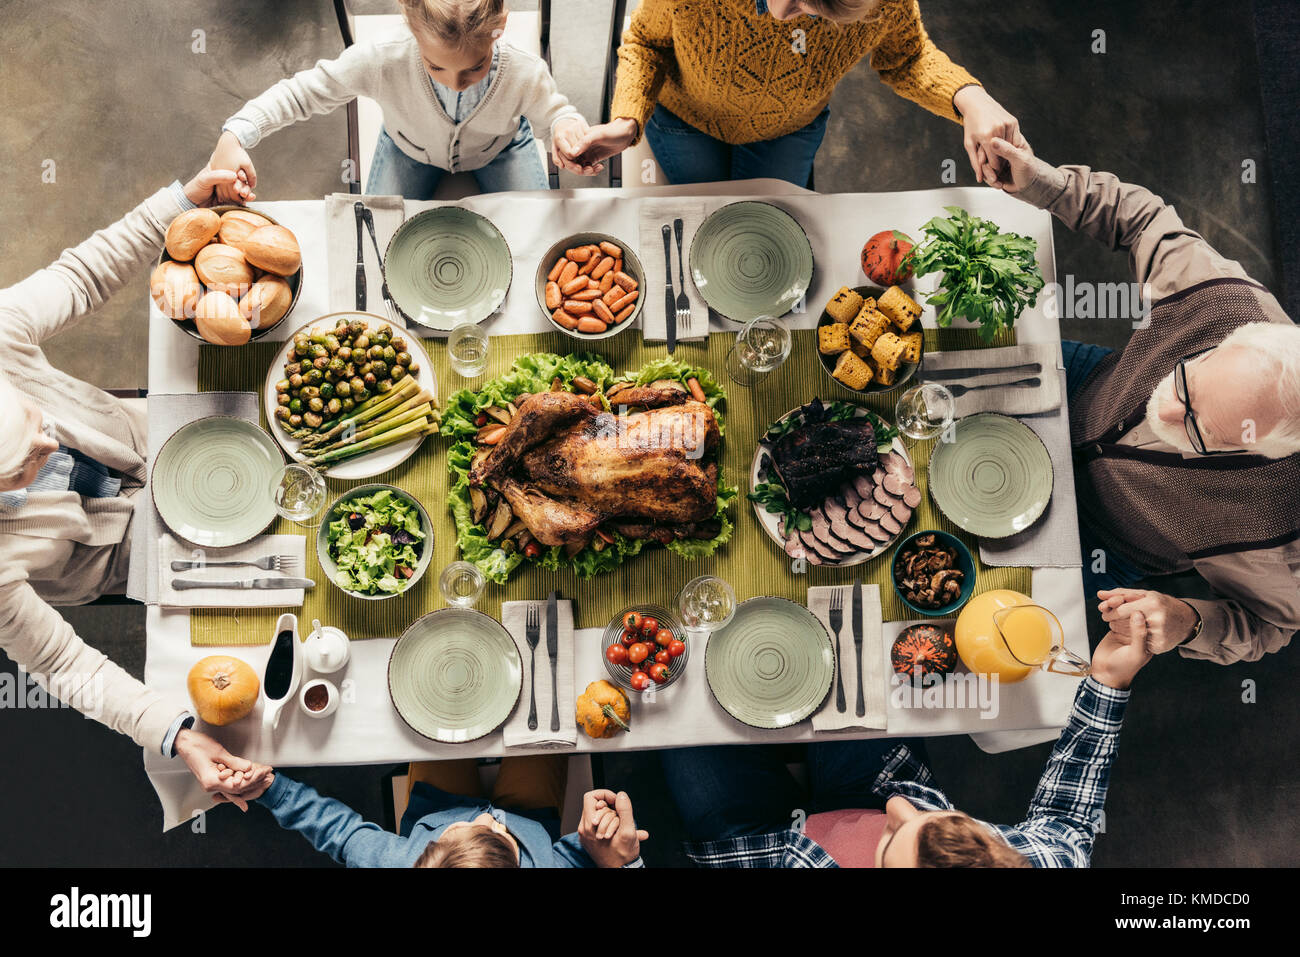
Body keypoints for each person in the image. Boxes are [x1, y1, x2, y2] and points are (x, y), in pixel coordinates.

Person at [0, 168, 270, 809]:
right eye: (22, 465)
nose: (50, 444)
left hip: (160, 441)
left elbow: (84, 273)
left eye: (38, 424)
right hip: (130, 558)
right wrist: (177, 735)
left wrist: (179, 204)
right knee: (264, 599)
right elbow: (65, 666)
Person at [981, 135, 1300, 666]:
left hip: (1099, 535)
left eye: (1199, 428)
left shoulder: (1281, 532)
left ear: (1269, 449)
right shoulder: (1225, 302)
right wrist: (1047, 183)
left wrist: (1189, 620)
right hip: (1082, 386)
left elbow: (1269, 628)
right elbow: (1142, 218)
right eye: (1187, 380)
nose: (1166, 411)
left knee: (952, 593)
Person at [660, 621, 1152, 867]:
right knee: (846, 650)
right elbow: (1066, 825)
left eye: (889, 842)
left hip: (754, 847)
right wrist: (1107, 680)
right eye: (936, 818)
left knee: (674, 707)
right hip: (868, 781)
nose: (897, 808)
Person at [570, 0, 1025, 188]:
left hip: (789, 131)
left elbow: (905, 58)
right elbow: (647, 43)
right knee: (704, 214)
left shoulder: (884, 4)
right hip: (684, 122)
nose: (784, 13)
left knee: (774, 227)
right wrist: (626, 122)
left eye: (811, 8)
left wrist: (972, 98)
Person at [207, 0, 599, 201]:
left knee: (538, 236)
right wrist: (235, 135)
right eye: (437, 68)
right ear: (412, 28)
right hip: (406, 150)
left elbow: (557, 115)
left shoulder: (524, 71)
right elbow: (301, 93)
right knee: (377, 238)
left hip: (502, 150)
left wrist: (567, 132)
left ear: (500, 27)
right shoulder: (381, 59)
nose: (457, 84)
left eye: (475, 68)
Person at [247, 756, 648, 868]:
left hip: (438, 801)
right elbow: (581, 855)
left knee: (438, 729)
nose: (483, 816)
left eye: (457, 831)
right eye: (494, 831)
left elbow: (338, 831)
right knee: (544, 737)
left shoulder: (392, 863)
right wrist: (604, 849)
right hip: (533, 818)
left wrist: (268, 787)